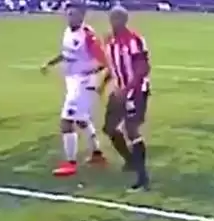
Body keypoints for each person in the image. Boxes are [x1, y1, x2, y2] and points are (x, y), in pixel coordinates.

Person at [41, 2, 110, 178]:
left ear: (82, 15)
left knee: (66, 121)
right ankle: (97, 155)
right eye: (68, 14)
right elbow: (67, 54)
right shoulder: (68, 32)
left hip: (83, 83)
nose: (70, 17)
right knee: (81, 119)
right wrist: (50, 63)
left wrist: (92, 74)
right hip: (72, 81)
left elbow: (104, 60)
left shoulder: (87, 35)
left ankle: (70, 163)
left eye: (74, 14)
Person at [103, 3, 151, 191]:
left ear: (124, 20)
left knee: (131, 129)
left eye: (117, 18)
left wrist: (128, 89)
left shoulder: (135, 40)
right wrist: (103, 84)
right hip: (119, 91)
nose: (113, 21)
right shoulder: (110, 41)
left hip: (136, 91)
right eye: (112, 18)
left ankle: (142, 176)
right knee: (110, 128)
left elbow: (143, 68)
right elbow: (113, 66)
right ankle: (130, 160)